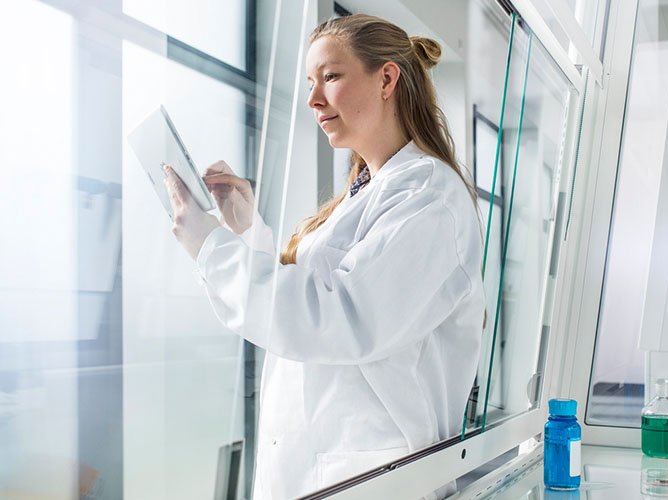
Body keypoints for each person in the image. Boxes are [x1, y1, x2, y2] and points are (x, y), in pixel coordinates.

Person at [164, 13, 485, 499]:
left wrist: (211, 248)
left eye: (330, 77)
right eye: (310, 82)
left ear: (386, 78)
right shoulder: (366, 193)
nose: (314, 99)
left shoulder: (430, 197)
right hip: (323, 469)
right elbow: (314, 301)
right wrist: (247, 230)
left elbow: (344, 317)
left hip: (375, 474)